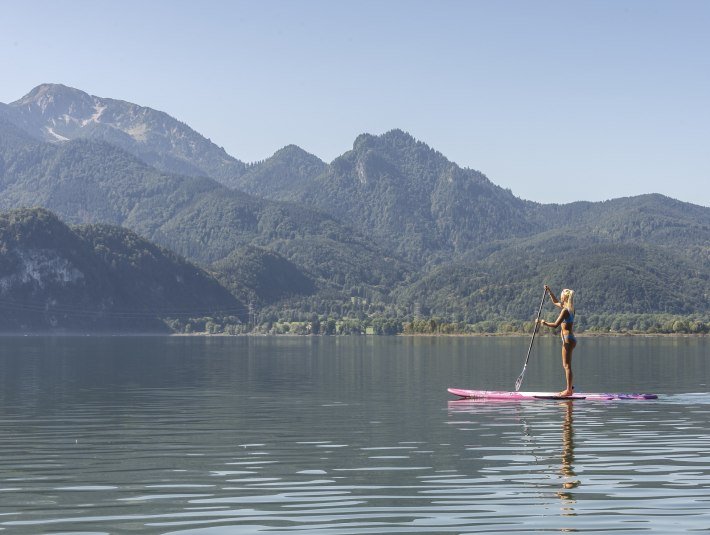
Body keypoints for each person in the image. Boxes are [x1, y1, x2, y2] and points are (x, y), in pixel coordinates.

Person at [538, 285, 576, 396]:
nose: (560, 298)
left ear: (564, 298)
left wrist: (543, 323)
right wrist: (549, 291)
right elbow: (555, 302)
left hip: (567, 339)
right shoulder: (571, 308)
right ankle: (570, 388)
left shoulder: (565, 310)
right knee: (567, 365)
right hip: (571, 339)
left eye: (561, 296)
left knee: (566, 366)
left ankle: (568, 390)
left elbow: (555, 325)